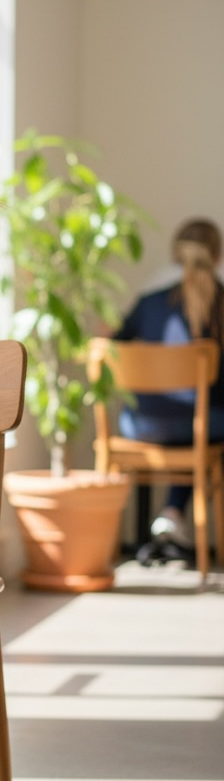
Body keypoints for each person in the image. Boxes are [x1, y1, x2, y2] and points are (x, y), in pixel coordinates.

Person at [114, 217, 224, 556]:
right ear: (216, 256)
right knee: (201, 425)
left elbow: (115, 345)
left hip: (141, 425)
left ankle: (168, 518)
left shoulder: (148, 301)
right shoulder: (221, 304)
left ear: (176, 254)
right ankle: (174, 514)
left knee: (187, 422)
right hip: (202, 425)